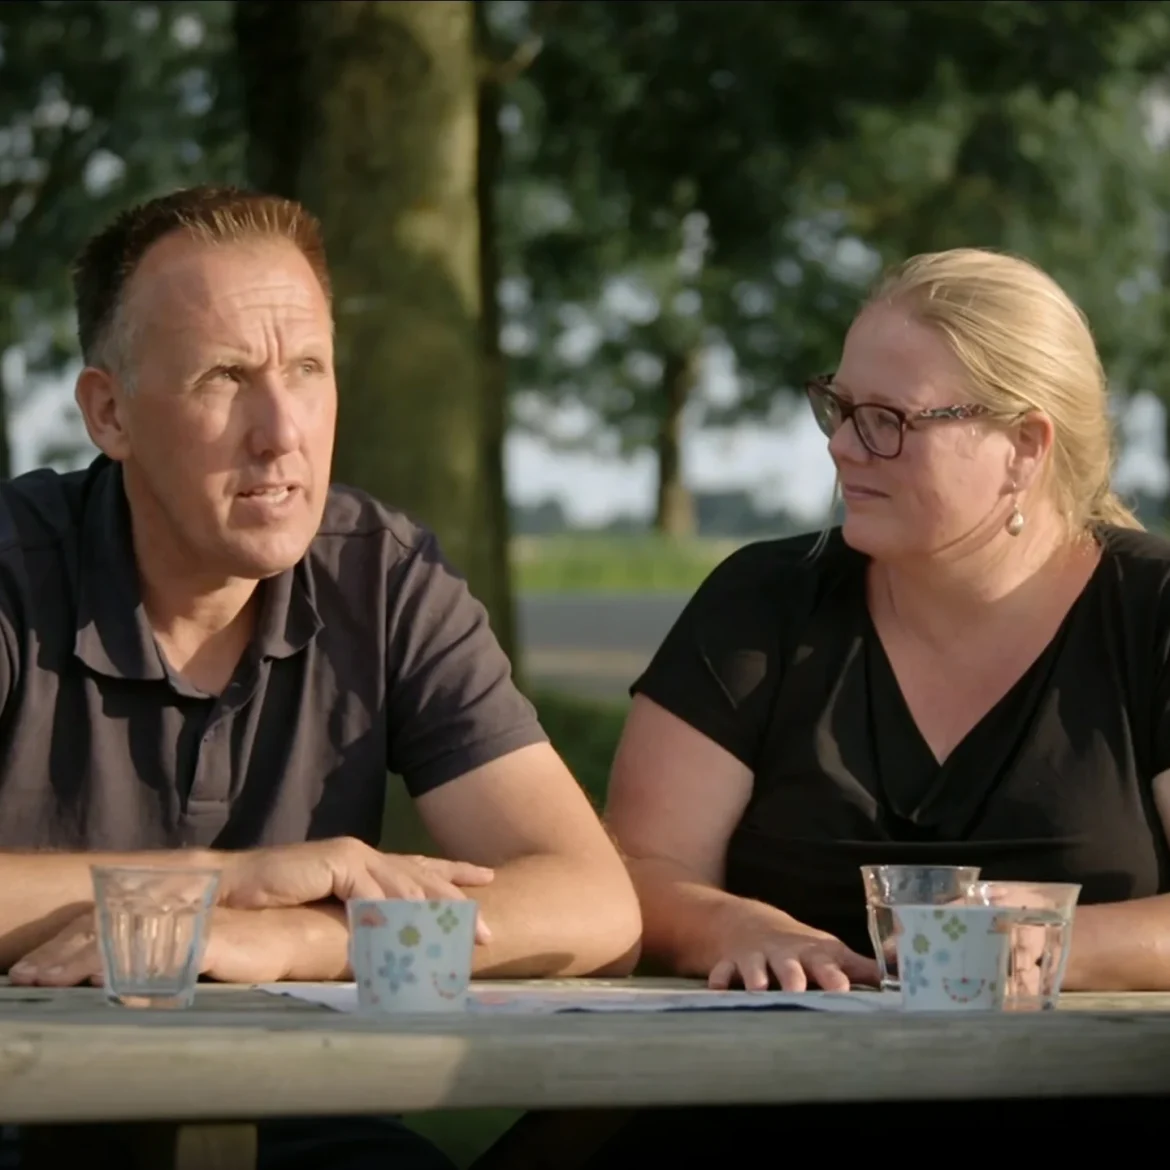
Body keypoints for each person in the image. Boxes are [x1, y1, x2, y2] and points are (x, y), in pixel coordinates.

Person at [0, 186, 641, 1170]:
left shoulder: (381, 577)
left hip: (302, 1123)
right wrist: (216, 887)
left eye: (307, 368)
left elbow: (593, 905)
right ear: (110, 412)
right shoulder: (12, 571)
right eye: (224, 376)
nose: (281, 430)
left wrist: (307, 939)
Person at [484, 246, 1170, 1161]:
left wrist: (1039, 946)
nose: (843, 446)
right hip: (761, 1113)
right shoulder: (763, 603)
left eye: (889, 421)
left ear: (1025, 447)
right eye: (839, 409)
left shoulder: (1150, 615)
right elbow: (637, 868)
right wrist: (731, 924)